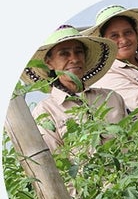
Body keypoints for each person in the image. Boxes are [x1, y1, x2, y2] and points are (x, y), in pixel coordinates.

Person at [21, 24, 128, 154]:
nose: (74, 59)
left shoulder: (111, 98)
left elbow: (132, 141)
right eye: (64, 54)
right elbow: (58, 162)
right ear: (49, 63)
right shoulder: (45, 111)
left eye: (79, 52)